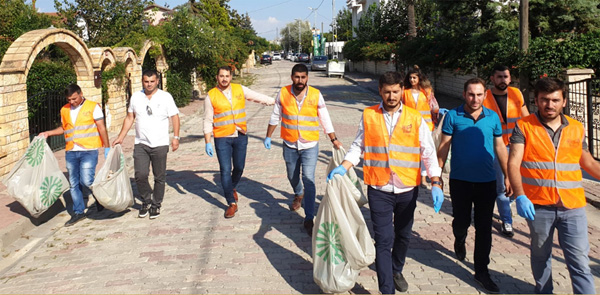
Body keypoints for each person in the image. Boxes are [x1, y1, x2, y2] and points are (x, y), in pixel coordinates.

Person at [328, 71, 444, 294]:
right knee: (383, 240)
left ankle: (396, 269)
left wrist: (436, 181)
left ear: (402, 90)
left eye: (396, 91)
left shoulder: (414, 117)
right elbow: (358, 146)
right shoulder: (369, 114)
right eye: (387, 91)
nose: (392, 96)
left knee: (403, 235)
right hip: (379, 187)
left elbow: (428, 152)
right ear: (380, 91)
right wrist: (344, 166)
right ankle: (386, 290)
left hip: (407, 188)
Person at [507, 77, 599, 294]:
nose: (550, 105)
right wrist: (520, 196)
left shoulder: (576, 128)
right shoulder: (524, 126)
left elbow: (588, 162)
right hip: (538, 206)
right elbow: (513, 162)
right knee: (540, 257)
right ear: (536, 101)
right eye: (544, 100)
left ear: (564, 101)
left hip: (573, 207)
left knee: (579, 261)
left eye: (555, 100)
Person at [436, 78, 511, 294]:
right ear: (464, 94)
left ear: (485, 95)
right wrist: (437, 177)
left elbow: (500, 148)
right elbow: (444, 146)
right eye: (471, 94)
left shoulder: (493, 118)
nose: (475, 99)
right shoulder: (453, 116)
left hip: (487, 181)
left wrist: (507, 176)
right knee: (461, 221)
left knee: (484, 227)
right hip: (460, 181)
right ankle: (459, 239)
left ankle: (482, 271)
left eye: (479, 95)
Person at [264, 63, 342, 236]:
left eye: (303, 77)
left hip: (310, 145)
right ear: (292, 77)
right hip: (290, 144)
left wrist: (334, 139)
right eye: (297, 77)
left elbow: (325, 119)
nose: (300, 81)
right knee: (292, 176)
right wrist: (268, 136)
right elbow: (275, 116)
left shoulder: (315, 94)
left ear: (307, 78)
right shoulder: (283, 93)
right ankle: (298, 193)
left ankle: (309, 217)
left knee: (308, 177)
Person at [204, 66, 275, 218]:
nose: (224, 79)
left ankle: (232, 187)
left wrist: (275, 101)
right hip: (222, 137)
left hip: (240, 135)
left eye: (227, 76)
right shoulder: (211, 96)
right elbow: (208, 120)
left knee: (239, 167)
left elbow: (257, 97)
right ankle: (231, 203)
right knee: (225, 169)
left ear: (231, 77)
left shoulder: (239, 89)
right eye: (221, 76)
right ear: (217, 77)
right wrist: (207, 141)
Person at [39, 84, 110, 227]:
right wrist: (48, 133)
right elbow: (64, 128)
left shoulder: (92, 107)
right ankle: (78, 212)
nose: (72, 102)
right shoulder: (64, 110)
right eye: (69, 99)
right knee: (73, 183)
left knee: (86, 181)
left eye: (74, 98)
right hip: (71, 151)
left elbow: (101, 127)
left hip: (88, 150)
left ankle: (99, 197)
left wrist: (107, 147)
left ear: (81, 94)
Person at [113, 69, 180, 220]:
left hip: (160, 143)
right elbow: (130, 117)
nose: (149, 84)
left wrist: (176, 137)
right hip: (141, 143)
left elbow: (175, 117)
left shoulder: (165, 97)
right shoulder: (136, 97)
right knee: (140, 175)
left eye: (152, 81)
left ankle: (156, 205)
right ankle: (146, 200)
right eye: (146, 81)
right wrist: (121, 137)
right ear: (142, 82)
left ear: (157, 81)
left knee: (159, 176)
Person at [483, 65, 530, 238]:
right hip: (497, 147)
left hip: (517, 145)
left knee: (519, 182)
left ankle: (507, 204)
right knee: (502, 186)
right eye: (499, 77)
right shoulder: (485, 96)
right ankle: (506, 221)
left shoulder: (517, 94)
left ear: (510, 79)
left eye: (506, 77)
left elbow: (526, 119)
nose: (503, 80)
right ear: (492, 79)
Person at [403, 66, 439, 187]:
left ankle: (423, 178)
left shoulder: (427, 91)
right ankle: (412, 175)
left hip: (426, 125)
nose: (412, 80)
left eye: (415, 77)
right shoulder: (404, 92)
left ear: (419, 78)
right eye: (410, 78)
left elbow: (434, 107)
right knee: (411, 151)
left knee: (425, 151)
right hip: (409, 125)